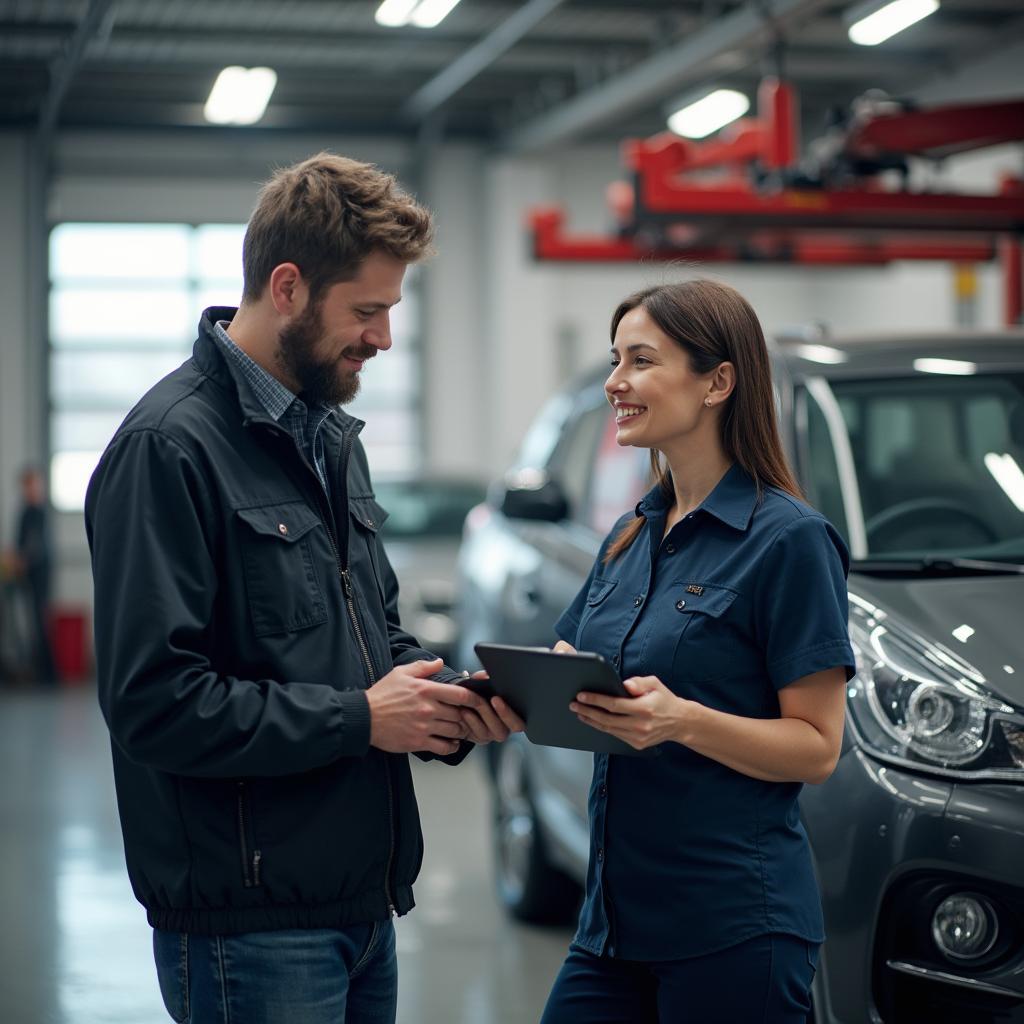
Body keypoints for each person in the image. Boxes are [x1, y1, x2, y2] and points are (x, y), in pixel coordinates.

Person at [84, 152, 522, 1024]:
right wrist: (365, 718)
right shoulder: (168, 450)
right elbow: (155, 704)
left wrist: (441, 705)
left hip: (359, 902)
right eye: (367, 311)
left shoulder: (330, 440)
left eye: (391, 312)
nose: (384, 339)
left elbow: (372, 639)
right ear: (286, 287)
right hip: (250, 927)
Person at [539, 279, 855, 1024]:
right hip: (613, 926)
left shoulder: (789, 542)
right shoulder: (630, 534)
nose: (616, 382)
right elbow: (567, 665)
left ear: (718, 381)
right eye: (615, 360)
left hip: (733, 929)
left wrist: (683, 721)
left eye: (640, 361)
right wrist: (498, 697)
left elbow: (816, 748)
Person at [9, 466, 57, 684]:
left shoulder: (38, 512)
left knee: (40, 621)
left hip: (40, 574)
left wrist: (23, 559)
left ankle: (48, 672)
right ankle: (40, 669)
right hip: (28, 574)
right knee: (32, 622)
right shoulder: (26, 511)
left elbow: (35, 546)